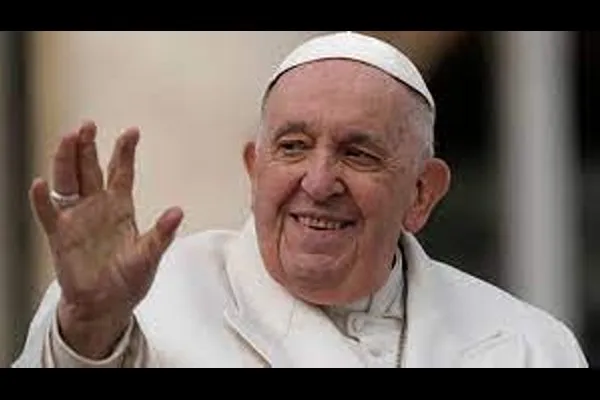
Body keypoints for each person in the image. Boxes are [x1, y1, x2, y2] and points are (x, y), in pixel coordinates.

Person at [12, 31, 588, 368]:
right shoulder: (141, 306)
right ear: (253, 169)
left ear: (421, 193)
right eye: (293, 147)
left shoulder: (530, 347)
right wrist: (88, 328)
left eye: (358, 153)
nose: (318, 182)